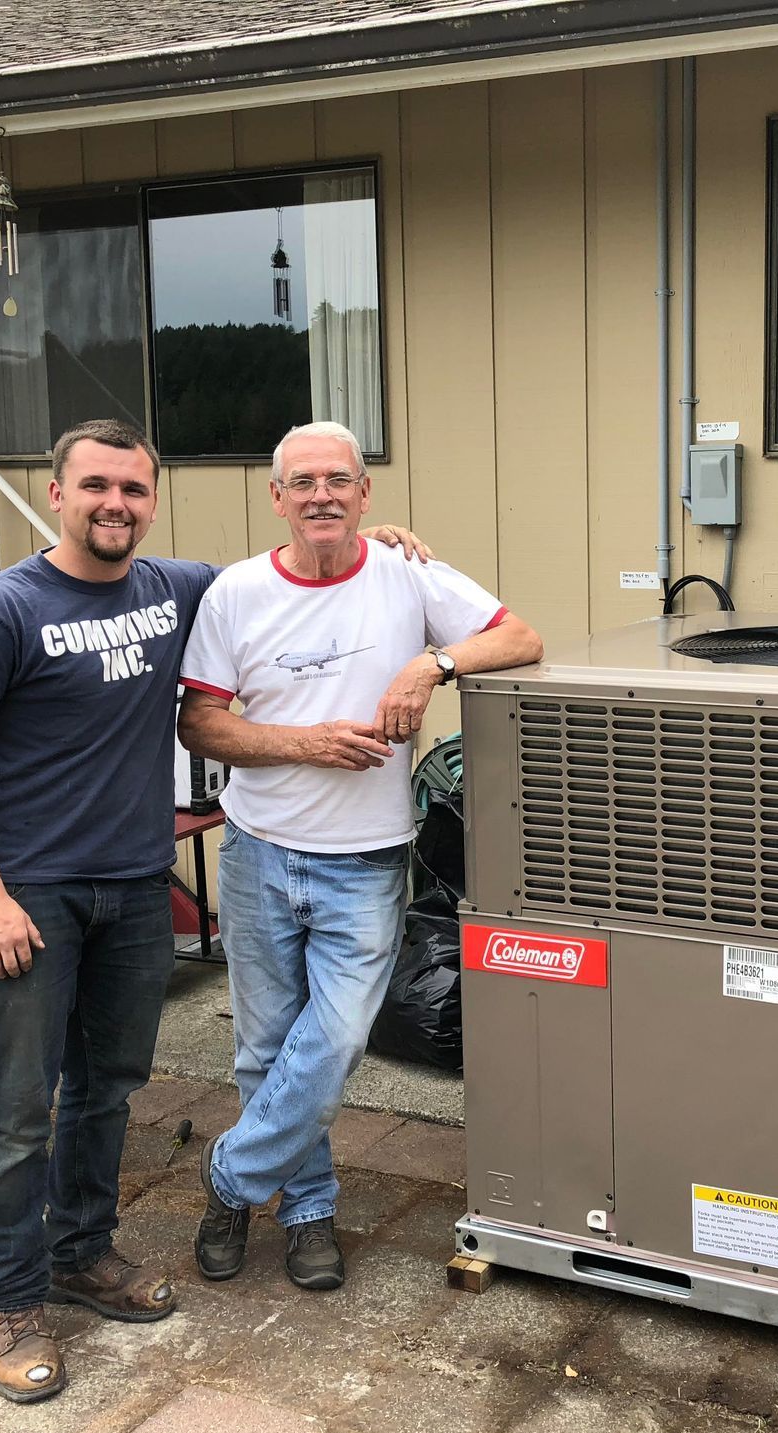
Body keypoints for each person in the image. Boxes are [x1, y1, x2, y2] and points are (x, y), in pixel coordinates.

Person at [0, 418, 426, 1404]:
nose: (115, 505)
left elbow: (292, 571)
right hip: (26, 895)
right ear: (55, 492)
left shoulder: (174, 588)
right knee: (16, 1112)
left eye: (134, 490)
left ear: (152, 500)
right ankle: (11, 1301)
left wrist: (374, 540)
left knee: (107, 1090)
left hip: (136, 887)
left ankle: (82, 1253)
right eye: (95, 487)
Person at [178, 420, 541, 1291]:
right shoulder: (235, 594)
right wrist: (304, 743)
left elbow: (521, 637)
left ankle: (230, 1177)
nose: (321, 496)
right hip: (260, 852)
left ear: (365, 493)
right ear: (277, 497)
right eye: (302, 482)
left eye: (338, 479)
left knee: (334, 1042)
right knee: (266, 1050)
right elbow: (199, 720)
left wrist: (432, 665)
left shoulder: (406, 574)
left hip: (368, 861)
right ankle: (307, 1213)